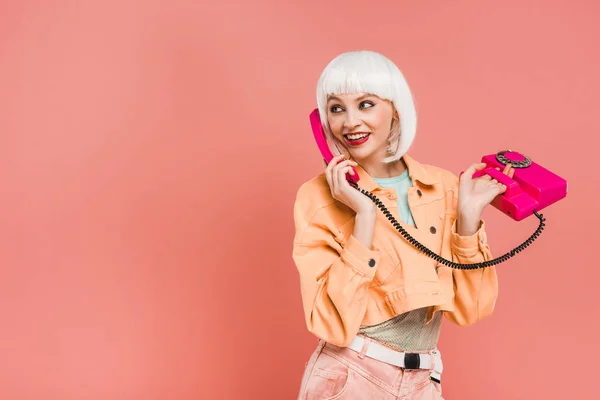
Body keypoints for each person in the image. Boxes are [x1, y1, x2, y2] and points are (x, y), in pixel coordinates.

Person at [292, 50, 514, 400]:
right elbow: (330, 323)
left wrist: (468, 222)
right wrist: (364, 216)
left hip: (423, 380)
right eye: (336, 108)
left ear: (395, 109)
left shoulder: (443, 187)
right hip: (351, 376)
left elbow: (472, 309)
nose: (350, 122)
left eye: (365, 104)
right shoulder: (317, 197)